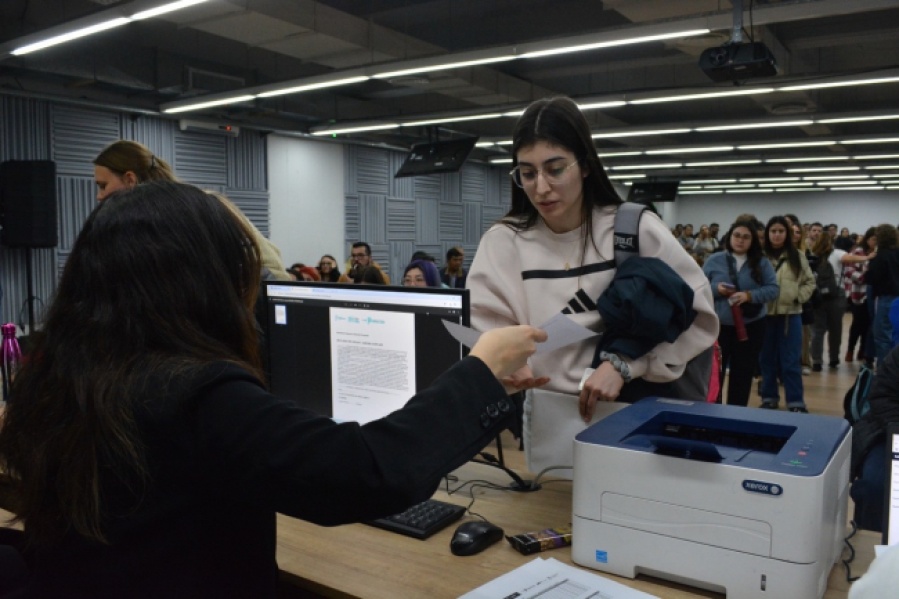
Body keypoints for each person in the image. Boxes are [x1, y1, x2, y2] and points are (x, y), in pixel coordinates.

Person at [0, 181, 547, 598]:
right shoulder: (197, 394)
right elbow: (369, 472)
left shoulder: (58, 375)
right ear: (202, 284)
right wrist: (478, 368)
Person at [467, 96, 717, 428]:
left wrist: (626, 365)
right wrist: (507, 363)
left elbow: (698, 317)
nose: (541, 187)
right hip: (547, 419)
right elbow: (481, 327)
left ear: (585, 165)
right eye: (527, 173)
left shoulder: (632, 229)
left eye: (555, 169)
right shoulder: (503, 242)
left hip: (633, 414)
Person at [93, 140, 291, 282]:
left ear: (130, 179)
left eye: (103, 185)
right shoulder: (169, 212)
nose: (99, 196)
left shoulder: (187, 211)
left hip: (266, 296)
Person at [702, 220, 778, 407]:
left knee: (742, 375)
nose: (740, 240)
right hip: (719, 328)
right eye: (737, 235)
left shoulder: (762, 262)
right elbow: (699, 288)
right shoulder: (714, 260)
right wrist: (716, 289)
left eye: (746, 237)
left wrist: (749, 295)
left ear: (753, 240)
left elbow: (773, 289)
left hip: (750, 328)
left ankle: (736, 415)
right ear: (730, 237)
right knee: (715, 376)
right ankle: (713, 414)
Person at [759, 216, 816, 412]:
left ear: (787, 234)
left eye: (780, 231)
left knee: (791, 360)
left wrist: (797, 297)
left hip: (790, 315)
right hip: (764, 316)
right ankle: (768, 397)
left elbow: (810, 282)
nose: (776, 235)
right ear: (768, 233)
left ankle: (796, 402)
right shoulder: (759, 256)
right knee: (766, 360)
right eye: (773, 231)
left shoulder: (797, 256)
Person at [867, 224, 899, 368]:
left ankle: (885, 371)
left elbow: (871, 278)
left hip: (886, 297)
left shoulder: (880, 256)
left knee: (882, 336)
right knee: (895, 335)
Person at [843, 228, 877, 362]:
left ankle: (863, 350)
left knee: (869, 325)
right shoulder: (858, 252)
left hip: (873, 295)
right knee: (857, 323)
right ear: (867, 239)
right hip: (858, 294)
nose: (875, 242)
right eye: (873, 239)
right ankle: (850, 349)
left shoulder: (879, 254)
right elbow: (849, 271)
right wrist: (865, 277)